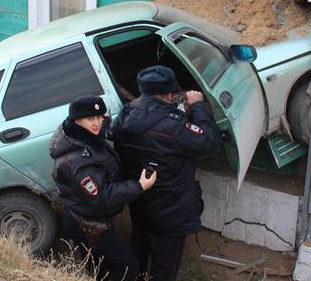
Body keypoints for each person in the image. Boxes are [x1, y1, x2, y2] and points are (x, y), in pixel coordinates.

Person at [113, 66, 221, 281]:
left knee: (137, 263)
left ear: (142, 90)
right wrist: (198, 106)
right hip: (171, 213)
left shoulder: (124, 115)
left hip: (140, 204)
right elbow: (211, 141)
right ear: (171, 93)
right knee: (164, 272)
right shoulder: (175, 125)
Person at [50, 95, 157, 281]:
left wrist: (102, 123)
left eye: (100, 117)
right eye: (90, 119)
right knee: (128, 267)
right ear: (77, 121)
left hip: (87, 215)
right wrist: (139, 186)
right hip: (86, 222)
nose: (97, 123)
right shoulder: (79, 161)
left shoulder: (79, 135)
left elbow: (98, 131)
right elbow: (101, 196)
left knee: (99, 269)